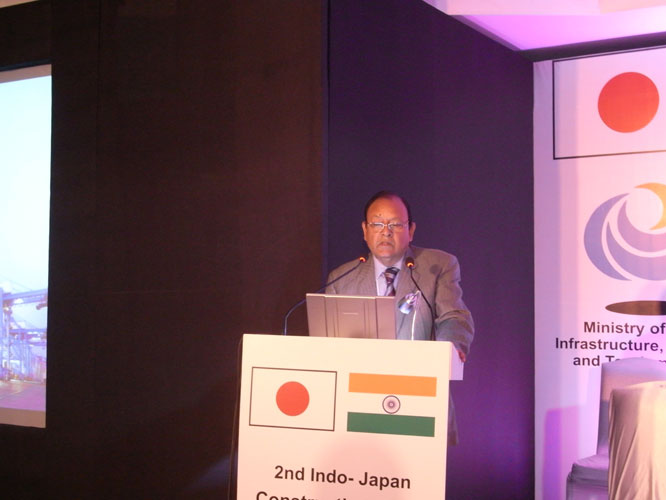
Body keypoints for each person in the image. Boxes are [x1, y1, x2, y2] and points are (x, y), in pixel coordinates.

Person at [326, 190, 474, 445]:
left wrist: (450, 347)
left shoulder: (437, 265)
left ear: (411, 230)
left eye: (395, 224)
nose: (386, 232)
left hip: (421, 401)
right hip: (359, 404)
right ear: (365, 230)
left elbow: (454, 316)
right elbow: (330, 346)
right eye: (377, 224)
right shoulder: (341, 280)